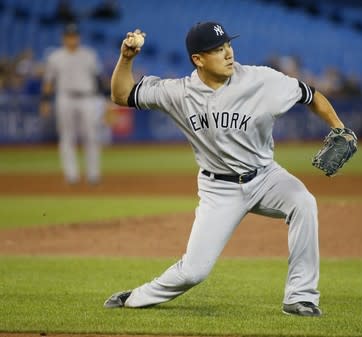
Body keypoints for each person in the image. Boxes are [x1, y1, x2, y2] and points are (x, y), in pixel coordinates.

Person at [104, 21, 349, 317]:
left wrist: (339, 127)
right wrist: (127, 59)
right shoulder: (179, 93)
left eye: (228, 45)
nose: (228, 53)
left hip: (266, 176)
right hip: (218, 189)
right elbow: (121, 95)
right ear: (198, 59)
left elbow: (310, 95)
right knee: (194, 272)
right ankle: (134, 297)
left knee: (304, 203)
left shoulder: (262, 80)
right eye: (218, 49)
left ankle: (301, 297)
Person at [40, 23, 103, 184]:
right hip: (65, 97)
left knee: (91, 136)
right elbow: (48, 81)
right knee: (67, 137)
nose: (72, 39)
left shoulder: (89, 55)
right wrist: (45, 101)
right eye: (69, 36)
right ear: (63, 38)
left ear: (79, 37)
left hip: (87, 97)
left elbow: (98, 79)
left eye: (74, 35)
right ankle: (71, 175)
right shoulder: (55, 56)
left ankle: (93, 175)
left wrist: (105, 100)